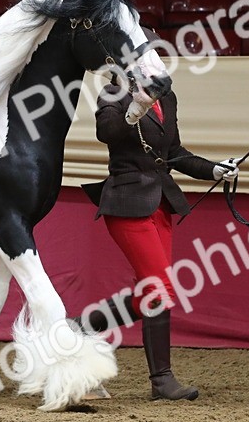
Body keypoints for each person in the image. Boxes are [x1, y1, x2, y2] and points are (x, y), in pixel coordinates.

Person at [82, 74, 237, 401]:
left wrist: (214, 170)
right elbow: (105, 132)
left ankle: (79, 329)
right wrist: (136, 108)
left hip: (161, 205)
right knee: (161, 289)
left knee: (152, 293)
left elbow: (175, 152)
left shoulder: (168, 98)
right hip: (126, 203)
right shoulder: (113, 94)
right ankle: (162, 380)